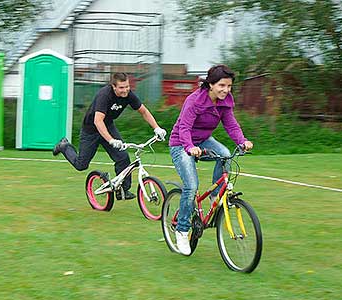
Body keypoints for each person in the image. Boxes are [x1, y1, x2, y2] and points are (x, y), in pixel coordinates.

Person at [168, 64, 253, 255]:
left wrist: (242, 141)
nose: (226, 90)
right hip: (181, 144)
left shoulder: (225, 101)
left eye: (229, 86)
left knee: (224, 154)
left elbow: (231, 125)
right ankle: (182, 230)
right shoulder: (195, 101)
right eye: (222, 85)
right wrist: (189, 147)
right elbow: (184, 128)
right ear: (211, 84)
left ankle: (216, 194)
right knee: (191, 186)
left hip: (203, 141)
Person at [53, 72, 167, 200]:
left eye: (127, 87)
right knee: (81, 165)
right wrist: (111, 140)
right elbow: (98, 121)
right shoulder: (104, 95)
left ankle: (122, 190)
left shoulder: (129, 95)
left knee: (123, 158)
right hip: (91, 130)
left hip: (108, 127)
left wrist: (157, 128)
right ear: (114, 87)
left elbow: (144, 111)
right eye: (121, 88)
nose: (125, 90)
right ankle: (64, 146)